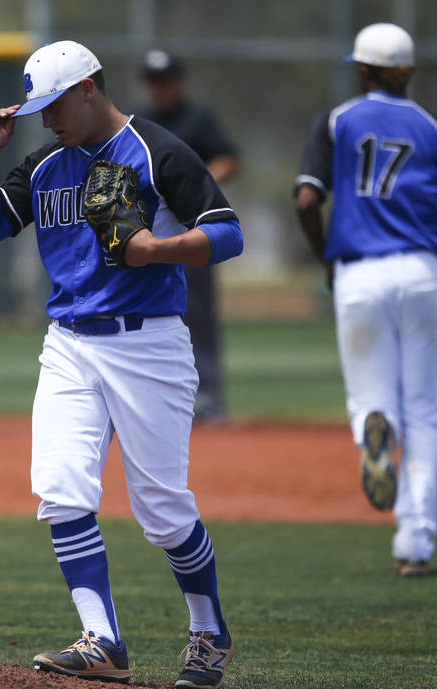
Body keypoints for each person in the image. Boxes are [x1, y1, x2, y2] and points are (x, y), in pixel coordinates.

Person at [0, 40, 244, 689]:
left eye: (56, 103)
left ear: (89, 87)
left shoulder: (156, 150)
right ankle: (103, 640)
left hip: (148, 344)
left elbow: (228, 233)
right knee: (60, 489)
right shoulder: (43, 163)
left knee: (163, 510)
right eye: (39, 108)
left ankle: (209, 632)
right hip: (69, 344)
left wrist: (157, 249)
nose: (48, 118)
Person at [293, 23, 437, 577]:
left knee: (371, 398)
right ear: (408, 72)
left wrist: (325, 259)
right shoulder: (436, 128)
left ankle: (373, 431)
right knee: (425, 412)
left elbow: (307, 199)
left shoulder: (336, 121)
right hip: (422, 269)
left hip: (359, 272)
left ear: (362, 70)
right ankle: (415, 543)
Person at [138, 50, 241, 423]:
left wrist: (192, 185)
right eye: (152, 81)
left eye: (164, 81)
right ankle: (154, 395)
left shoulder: (196, 119)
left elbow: (229, 157)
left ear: (177, 83)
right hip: (147, 237)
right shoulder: (138, 120)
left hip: (191, 233)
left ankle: (209, 396)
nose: (158, 88)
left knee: (198, 313)